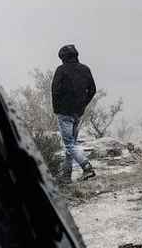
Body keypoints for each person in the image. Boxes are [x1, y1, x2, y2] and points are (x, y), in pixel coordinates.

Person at [51, 43, 97, 182]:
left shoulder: (61, 70)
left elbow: (55, 91)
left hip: (64, 113)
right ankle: (66, 176)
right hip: (78, 113)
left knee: (69, 144)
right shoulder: (85, 69)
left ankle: (87, 168)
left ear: (63, 57)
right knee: (71, 145)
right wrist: (82, 105)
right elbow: (92, 90)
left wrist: (57, 109)